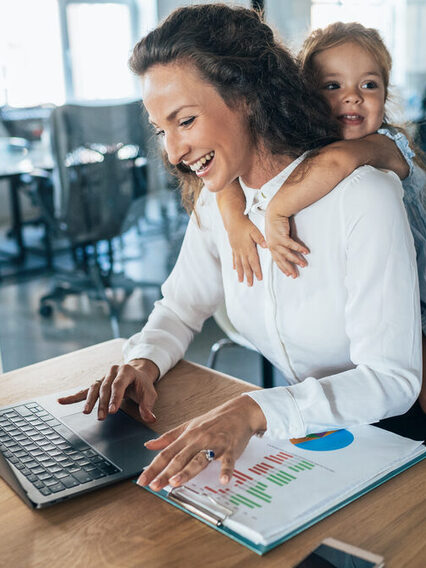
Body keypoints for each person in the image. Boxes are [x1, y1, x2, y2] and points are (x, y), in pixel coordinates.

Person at [58, 5, 422, 492]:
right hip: (313, 438)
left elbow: (393, 379)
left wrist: (252, 409)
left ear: (248, 97)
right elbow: (180, 307)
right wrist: (142, 362)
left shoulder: (363, 196)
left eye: (185, 121)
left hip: (398, 444)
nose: (172, 152)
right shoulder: (220, 201)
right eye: (161, 130)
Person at [215, 21, 426, 415]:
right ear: (305, 97)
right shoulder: (300, 149)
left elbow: (338, 161)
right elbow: (228, 174)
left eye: (369, 85)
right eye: (333, 86)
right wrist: (232, 218)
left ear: (386, 93)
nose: (353, 98)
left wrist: (276, 210)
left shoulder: (384, 145)